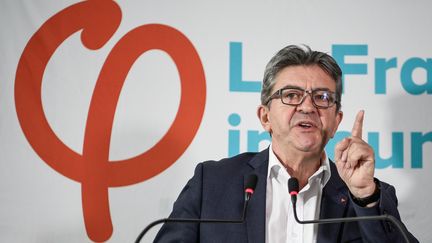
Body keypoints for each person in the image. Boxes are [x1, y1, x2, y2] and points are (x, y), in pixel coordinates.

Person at [154, 45, 419, 242]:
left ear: (336, 121)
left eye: (322, 97)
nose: (307, 106)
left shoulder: (368, 197)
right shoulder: (212, 183)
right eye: (291, 95)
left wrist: (364, 196)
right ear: (265, 116)